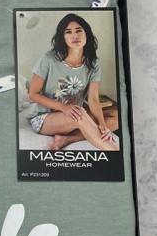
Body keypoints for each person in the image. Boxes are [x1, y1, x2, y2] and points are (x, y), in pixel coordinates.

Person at [26, 13, 119, 151]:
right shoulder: (48, 59)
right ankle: (114, 152)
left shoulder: (93, 64)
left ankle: (67, 139)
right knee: (81, 113)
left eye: (79, 30)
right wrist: (63, 107)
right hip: (45, 118)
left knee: (117, 116)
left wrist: (102, 124)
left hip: (74, 116)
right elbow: (33, 94)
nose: (74, 35)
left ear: (87, 34)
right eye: (68, 32)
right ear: (63, 38)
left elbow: (93, 99)